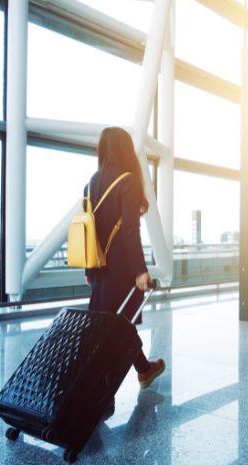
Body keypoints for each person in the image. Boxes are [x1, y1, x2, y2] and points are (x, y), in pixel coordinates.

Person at [85, 127, 166, 393]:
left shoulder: (91, 183)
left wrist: (89, 269)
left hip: (98, 269)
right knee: (119, 326)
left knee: (114, 326)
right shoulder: (128, 180)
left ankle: (143, 370)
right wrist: (140, 271)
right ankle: (111, 386)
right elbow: (131, 231)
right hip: (121, 271)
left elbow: (88, 231)